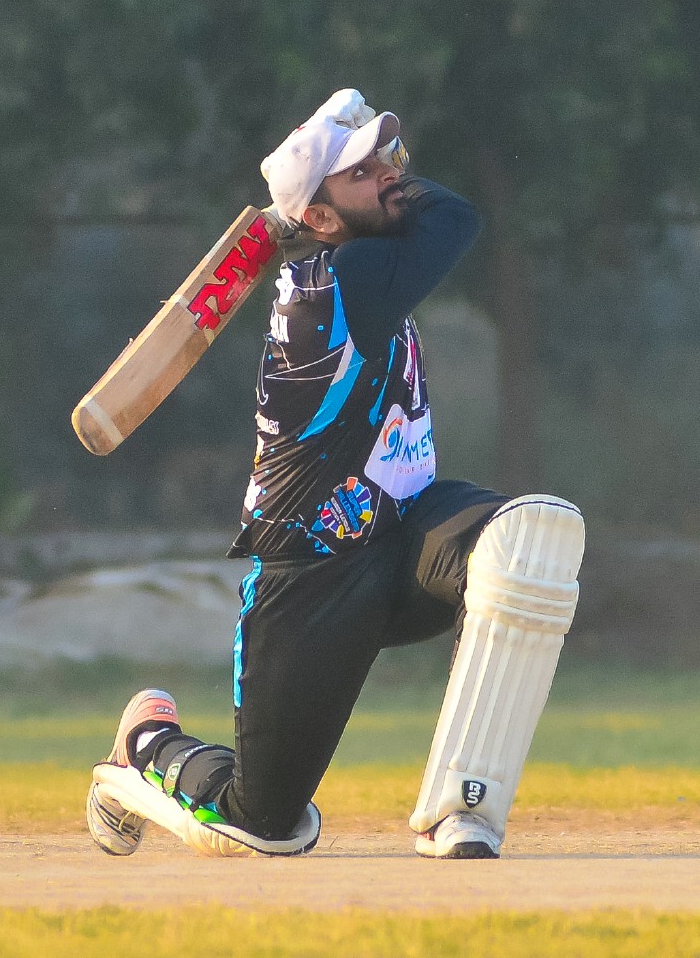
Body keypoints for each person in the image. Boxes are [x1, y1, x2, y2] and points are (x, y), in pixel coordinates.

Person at [85, 89, 584, 860]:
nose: (388, 175)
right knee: (262, 824)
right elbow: (453, 217)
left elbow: (429, 217)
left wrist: (335, 187)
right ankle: (145, 747)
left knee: (523, 542)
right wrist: (329, 201)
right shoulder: (342, 281)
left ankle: (463, 810)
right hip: (312, 576)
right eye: (361, 173)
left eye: (385, 160)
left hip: (407, 534)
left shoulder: (355, 263)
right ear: (317, 217)